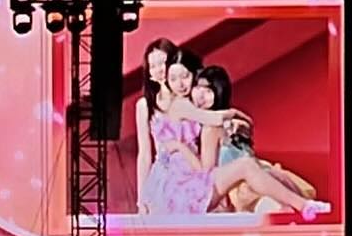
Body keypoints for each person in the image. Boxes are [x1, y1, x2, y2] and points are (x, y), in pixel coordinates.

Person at [142, 47, 328, 220]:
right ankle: (304, 206)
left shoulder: (192, 110)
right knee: (247, 168)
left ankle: (302, 207)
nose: (181, 85)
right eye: (173, 79)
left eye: (185, 77)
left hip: (192, 183)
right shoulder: (183, 107)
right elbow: (207, 152)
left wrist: (238, 124)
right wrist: (234, 115)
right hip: (185, 189)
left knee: (254, 171)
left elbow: (232, 129)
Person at [190, 65, 318, 213]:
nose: (201, 96)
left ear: (219, 92)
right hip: (239, 190)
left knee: (282, 206)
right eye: (198, 89)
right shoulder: (206, 127)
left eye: (208, 91)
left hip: (256, 180)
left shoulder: (224, 125)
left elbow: (247, 127)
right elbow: (209, 174)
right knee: (278, 209)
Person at [134, 37, 177, 212]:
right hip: (162, 177)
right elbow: (144, 154)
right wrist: (141, 200)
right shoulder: (144, 106)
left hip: (192, 172)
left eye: (163, 63)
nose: (159, 70)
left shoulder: (189, 98)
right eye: (153, 66)